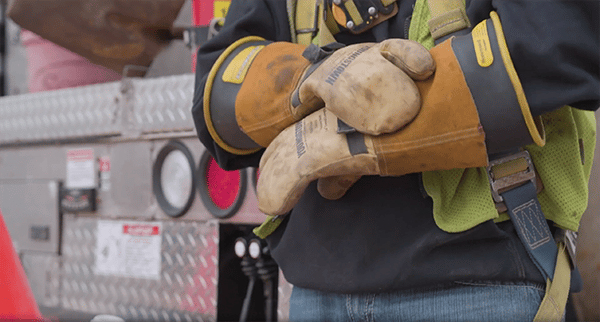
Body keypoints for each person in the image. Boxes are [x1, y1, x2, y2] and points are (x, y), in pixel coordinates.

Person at [192, 0, 599, 320]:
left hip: (477, 288)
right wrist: (307, 78)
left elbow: (569, 39)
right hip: (319, 297)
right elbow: (215, 95)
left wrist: (357, 137)